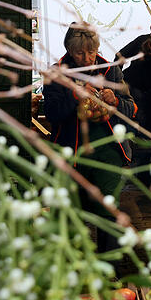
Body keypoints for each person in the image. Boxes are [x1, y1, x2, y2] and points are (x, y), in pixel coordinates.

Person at [43, 24, 136, 251]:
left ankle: (110, 268)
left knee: (108, 212)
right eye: (79, 53)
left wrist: (115, 101)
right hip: (71, 154)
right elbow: (53, 113)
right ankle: (75, 268)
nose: (87, 58)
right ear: (69, 50)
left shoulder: (110, 71)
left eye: (91, 52)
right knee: (71, 214)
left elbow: (132, 109)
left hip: (108, 154)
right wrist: (74, 96)